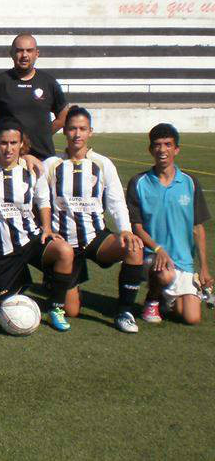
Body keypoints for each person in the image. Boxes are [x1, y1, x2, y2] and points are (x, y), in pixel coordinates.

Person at [0, 120, 77, 331]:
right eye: (3, 143)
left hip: (30, 239)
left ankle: (55, 308)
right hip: (2, 250)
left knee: (64, 251)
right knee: (5, 307)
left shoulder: (32, 168)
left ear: (22, 144)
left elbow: (42, 201)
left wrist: (47, 228)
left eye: (14, 142)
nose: (8, 148)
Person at [41, 107, 145, 333]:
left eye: (82, 129)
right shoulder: (51, 164)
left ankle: (125, 311)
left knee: (134, 247)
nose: (77, 134)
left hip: (95, 237)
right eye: (72, 129)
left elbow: (116, 199)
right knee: (72, 311)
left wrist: (125, 229)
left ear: (90, 132)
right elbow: (41, 201)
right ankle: (59, 280)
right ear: (65, 132)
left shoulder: (103, 164)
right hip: (65, 243)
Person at [128, 123, 211, 326]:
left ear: (176, 149)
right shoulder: (139, 182)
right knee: (165, 273)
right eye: (157, 145)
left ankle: (167, 301)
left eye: (168, 144)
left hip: (183, 262)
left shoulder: (190, 183)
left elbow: (198, 228)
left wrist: (204, 268)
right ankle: (152, 300)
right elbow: (136, 226)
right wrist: (158, 249)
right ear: (150, 150)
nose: (162, 150)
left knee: (191, 317)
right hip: (151, 257)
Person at [0, 33, 69, 159]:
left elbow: (63, 116)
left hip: (43, 158)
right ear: (11, 53)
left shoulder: (49, 82)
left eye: (29, 51)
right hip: (7, 159)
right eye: (19, 51)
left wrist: (43, 133)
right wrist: (0, 135)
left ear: (37, 53)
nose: (24, 55)